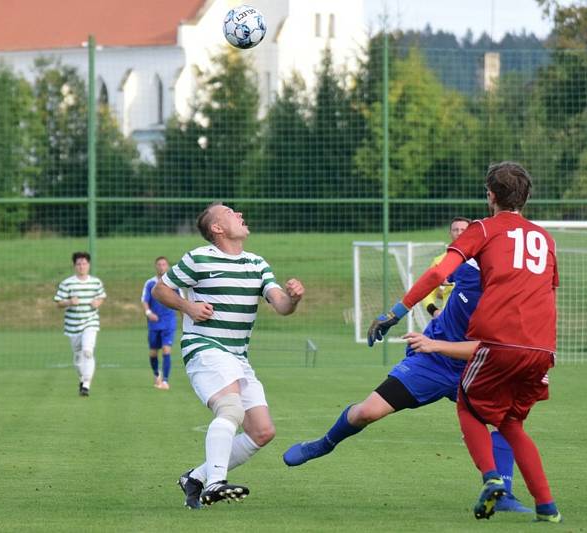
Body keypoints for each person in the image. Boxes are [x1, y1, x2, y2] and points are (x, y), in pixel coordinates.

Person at [282, 218, 531, 514]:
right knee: (367, 412)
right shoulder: (466, 265)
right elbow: (433, 277)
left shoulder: (516, 292)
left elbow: (497, 347)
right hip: (433, 361)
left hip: (477, 365)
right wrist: (395, 313)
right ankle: (323, 443)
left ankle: (502, 494)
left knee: (507, 422)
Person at [368, 162, 562, 523]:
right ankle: (547, 507)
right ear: (527, 196)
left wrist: (395, 312)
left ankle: (491, 480)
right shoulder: (544, 238)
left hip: (501, 344)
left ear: (490, 195)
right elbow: (549, 290)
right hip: (542, 349)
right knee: (511, 424)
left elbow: (440, 272)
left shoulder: (484, 229)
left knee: (468, 406)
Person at [152, 202, 304, 509]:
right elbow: (161, 291)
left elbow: (281, 305)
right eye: (231, 213)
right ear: (217, 228)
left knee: (262, 431)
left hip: (238, 357)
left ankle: (194, 478)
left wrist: (294, 298)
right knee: (230, 410)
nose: (240, 215)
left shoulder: (257, 263)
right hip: (204, 347)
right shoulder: (199, 258)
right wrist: (189, 307)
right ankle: (216, 483)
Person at [54, 252, 106, 397]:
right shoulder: (67, 283)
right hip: (73, 326)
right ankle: (82, 379)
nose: (82, 266)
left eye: (84, 264)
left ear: (88, 265)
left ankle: (86, 385)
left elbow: (101, 297)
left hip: (90, 322)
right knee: (78, 358)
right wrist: (69, 302)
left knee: (88, 351)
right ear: (74, 266)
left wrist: (98, 302)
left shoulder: (96, 282)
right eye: (79, 264)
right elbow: (58, 303)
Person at [420, 217, 470, 318]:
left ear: (470, 232)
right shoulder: (439, 261)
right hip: (450, 321)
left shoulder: (481, 259)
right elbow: (427, 292)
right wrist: (434, 311)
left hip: (476, 321)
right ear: (450, 233)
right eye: (455, 230)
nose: (459, 233)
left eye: (463, 230)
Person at [142, 256, 178, 389]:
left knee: (166, 350)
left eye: (164, 264)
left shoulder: (174, 283)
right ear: (155, 266)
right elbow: (145, 301)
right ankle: (157, 374)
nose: (161, 267)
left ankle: (165, 381)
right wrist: (148, 313)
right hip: (154, 323)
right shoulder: (150, 283)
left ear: (167, 266)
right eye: (159, 264)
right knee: (153, 352)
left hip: (169, 322)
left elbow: (182, 302)